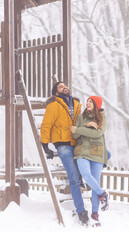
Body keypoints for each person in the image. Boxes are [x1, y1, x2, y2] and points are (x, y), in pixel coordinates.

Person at [40, 82, 89, 225]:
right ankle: (81, 211)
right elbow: (46, 125)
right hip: (63, 146)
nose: (64, 87)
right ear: (56, 93)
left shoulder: (77, 105)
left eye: (65, 85)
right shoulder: (53, 105)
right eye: (60, 87)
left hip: (78, 143)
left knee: (91, 165)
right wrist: (45, 145)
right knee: (73, 178)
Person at [70, 96, 109, 226]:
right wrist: (86, 125)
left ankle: (95, 214)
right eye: (87, 101)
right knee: (86, 174)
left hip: (97, 152)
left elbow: (97, 133)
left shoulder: (102, 117)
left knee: (95, 182)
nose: (87, 103)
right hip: (81, 151)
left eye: (91, 101)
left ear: (97, 104)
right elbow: (74, 134)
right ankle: (102, 193)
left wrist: (80, 129)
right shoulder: (81, 117)